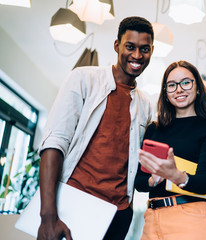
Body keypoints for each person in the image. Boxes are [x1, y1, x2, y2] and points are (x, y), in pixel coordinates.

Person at [37, 16, 154, 240]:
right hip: (73, 205)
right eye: (130, 46)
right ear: (117, 45)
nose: (137, 56)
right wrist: (48, 216)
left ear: (151, 50)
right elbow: (54, 142)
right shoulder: (83, 79)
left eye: (144, 49)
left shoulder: (146, 105)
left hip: (118, 215)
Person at [134, 60, 206, 240]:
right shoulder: (154, 129)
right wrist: (152, 179)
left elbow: (204, 182)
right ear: (165, 93)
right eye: (172, 85)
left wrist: (175, 175)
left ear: (198, 88)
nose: (179, 89)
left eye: (186, 82)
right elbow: (138, 181)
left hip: (190, 218)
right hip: (152, 218)